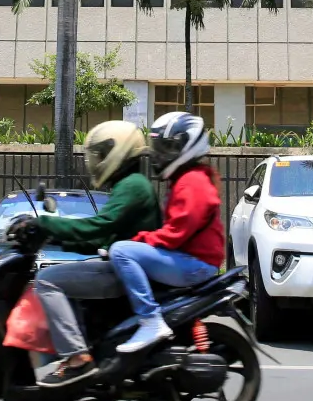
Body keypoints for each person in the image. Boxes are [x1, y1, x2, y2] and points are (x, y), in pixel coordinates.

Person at [30, 120, 160, 386]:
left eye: (100, 155)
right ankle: (80, 349)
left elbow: (100, 227)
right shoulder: (128, 185)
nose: (96, 161)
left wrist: (44, 224)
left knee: (47, 280)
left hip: (123, 274)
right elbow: (102, 237)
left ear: (118, 152)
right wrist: (56, 239)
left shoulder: (133, 186)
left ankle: (77, 358)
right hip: (123, 268)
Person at [109, 111, 225, 354]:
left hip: (196, 264)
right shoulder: (188, 179)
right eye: (158, 147)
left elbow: (175, 234)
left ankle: (150, 321)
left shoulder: (192, 182)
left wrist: (138, 240)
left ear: (186, 146)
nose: (159, 155)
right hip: (191, 260)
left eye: (166, 147)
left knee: (121, 252)